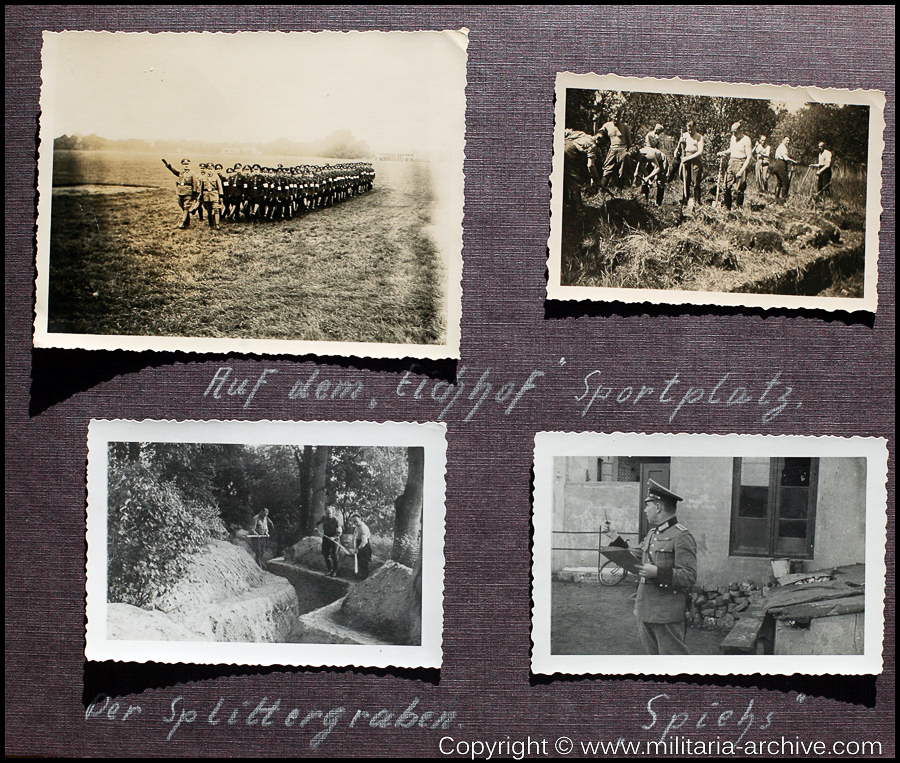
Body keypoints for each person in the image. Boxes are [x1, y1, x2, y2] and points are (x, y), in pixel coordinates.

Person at [602, 480, 697, 655]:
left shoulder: (681, 536)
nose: (645, 510)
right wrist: (615, 537)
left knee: (673, 663)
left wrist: (658, 573)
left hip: (667, 613)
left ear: (659, 507)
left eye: (648, 506)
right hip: (646, 609)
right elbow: (635, 555)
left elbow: (689, 576)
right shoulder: (653, 533)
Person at [717, 121, 753, 209]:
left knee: (739, 189)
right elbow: (731, 149)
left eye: (735, 132)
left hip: (741, 163)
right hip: (731, 162)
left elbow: (749, 157)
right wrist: (723, 152)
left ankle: (738, 209)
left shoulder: (746, 140)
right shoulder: (733, 138)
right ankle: (727, 208)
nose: (733, 134)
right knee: (726, 186)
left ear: (741, 130)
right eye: (732, 132)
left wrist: (741, 171)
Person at [161, 157, 200, 229]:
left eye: (187, 164)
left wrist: (194, 194)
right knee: (182, 206)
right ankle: (187, 221)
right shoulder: (181, 172)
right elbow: (174, 170)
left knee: (186, 207)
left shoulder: (192, 173)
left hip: (188, 192)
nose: (186, 165)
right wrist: (168, 165)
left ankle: (183, 222)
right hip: (180, 192)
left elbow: (195, 183)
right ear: (182, 165)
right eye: (184, 164)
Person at [599, 108, 632, 191]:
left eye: (618, 117)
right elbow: (598, 135)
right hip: (612, 149)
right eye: (614, 117)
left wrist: (627, 153)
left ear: (620, 117)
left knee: (622, 171)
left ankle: (619, 190)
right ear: (611, 116)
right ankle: (602, 190)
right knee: (607, 169)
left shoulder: (624, 126)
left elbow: (629, 142)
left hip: (622, 149)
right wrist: (595, 123)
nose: (616, 119)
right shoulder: (607, 125)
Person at [676, 120, 704, 207]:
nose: (690, 131)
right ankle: (685, 199)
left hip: (695, 159)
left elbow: (700, 152)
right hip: (685, 159)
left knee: (696, 181)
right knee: (685, 179)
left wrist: (689, 158)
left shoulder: (699, 137)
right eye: (688, 130)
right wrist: (680, 146)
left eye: (691, 129)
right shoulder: (684, 135)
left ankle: (696, 201)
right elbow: (678, 150)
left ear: (695, 127)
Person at [316, 506, 343, 577]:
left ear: (333, 513)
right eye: (327, 513)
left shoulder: (336, 520)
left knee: (334, 555)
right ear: (325, 513)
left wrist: (334, 537)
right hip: (326, 537)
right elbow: (318, 523)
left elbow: (339, 532)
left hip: (335, 539)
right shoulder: (324, 518)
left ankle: (335, 571)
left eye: (330, 513)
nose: (329, 515)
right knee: (325, 553)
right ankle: (330, 570)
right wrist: (316, 527)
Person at [771, 136, 798, 201]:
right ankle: (784, 199)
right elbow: (785, 158)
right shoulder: (783, 147)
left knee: (779, 182)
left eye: (788, 141)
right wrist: (793, 161)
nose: (788, 142)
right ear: (783, 140)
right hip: (781, 165)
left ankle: (776, 198)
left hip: (777, 165)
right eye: (786, 140)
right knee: (786, 182)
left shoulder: (780, 146)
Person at [199, 163, 224, 229]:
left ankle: (217, 224)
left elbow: (219, 187)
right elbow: (201, 187)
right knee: (209, 210)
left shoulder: (216, 177)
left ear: (213, 169)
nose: (210, 170)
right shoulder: (203, 177)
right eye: (208, 169)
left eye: (211, 169)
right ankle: (211, 224)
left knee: (216, 209)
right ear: (206, 169)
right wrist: (201, 195)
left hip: (214, 194)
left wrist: (221, 196)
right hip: (206, 195)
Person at [349, 512, 372, 580]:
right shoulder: (357, 527)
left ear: (360, 519)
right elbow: (354, 537)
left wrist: (358, 549)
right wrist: (353, 547)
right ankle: (359, 577)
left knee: (364, 563)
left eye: (356, 521)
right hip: (359, 546)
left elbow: (364, 541)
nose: (355, 523)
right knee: (359, 562)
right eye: (354, 522)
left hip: (365, 547)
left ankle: (364, 579)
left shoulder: (363, 528)